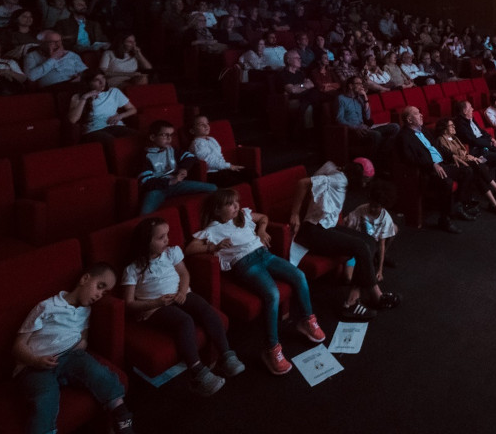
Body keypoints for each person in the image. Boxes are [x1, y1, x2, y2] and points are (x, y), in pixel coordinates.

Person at [184, 189, 325, 375]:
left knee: (299, 275)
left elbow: (263, 218)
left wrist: (261, 230)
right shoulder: (213, 229)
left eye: (236, 202)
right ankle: (271, 348)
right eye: (230, 204)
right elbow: (189, 249)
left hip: (264, 254)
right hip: (245, 263)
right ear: (217, 210)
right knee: (272, 294)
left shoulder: (243, 215)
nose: (236, 206)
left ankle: (307, 320)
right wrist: (213, 247)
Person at [121, 217, 242, 396]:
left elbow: (184, 274)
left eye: (167, 235)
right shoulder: (132, 269)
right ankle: (197, 372)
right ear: (146, 242)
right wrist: (156, 303)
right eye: (161, 237)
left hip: (181, 294)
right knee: (184, 321)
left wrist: (183, 292)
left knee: (205, 309)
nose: (167, 240)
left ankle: (226, 354)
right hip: (155, 307)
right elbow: (129, 304)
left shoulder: (171, 253)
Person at [13, 263, 135, 434]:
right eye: (99, 287)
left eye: (104, 293)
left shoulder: (86, 311)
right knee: (45, 397)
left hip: (69, 357)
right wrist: (35, 361)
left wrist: (82, 344)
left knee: (98, 371)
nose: (99, 295)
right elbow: (18, 346)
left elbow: (83, 338)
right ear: (85, 279)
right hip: (35, 365)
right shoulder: (47, 306)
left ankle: (120, 414)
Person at [290, 159, 400, 320]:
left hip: (326, 226)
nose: (364, 185)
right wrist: (295, 214)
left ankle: (357, 297)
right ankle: (361, 301)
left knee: (369, 242)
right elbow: (303, 183)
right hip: (313, 231)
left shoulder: (341, 177)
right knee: (360, 246)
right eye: (364, 181)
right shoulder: (338, 180)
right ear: (357, 176)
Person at [395, 106, 474, 233]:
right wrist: (432, 164)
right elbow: (410, 159)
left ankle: (458, 206)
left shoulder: (423, 130)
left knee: (467, 171)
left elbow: (437, 147)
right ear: (409, 120)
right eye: (417, 113)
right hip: (427, 171)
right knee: (447, 183)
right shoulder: (403, 137)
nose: (421, 115)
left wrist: (452, 155)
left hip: (442, 164)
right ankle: (444, 220)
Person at [434, 118, 496, 215]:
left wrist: (471, 157)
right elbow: (452, 157)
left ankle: (494, 204)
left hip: (466, 161)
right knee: (477, 165)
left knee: (478, 171)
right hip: (455, 165)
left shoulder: (454, 138)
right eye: (451, 125)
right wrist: (471, 158)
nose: (454, 127)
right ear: (445, 129)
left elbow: (464, 152)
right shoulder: (441, 140)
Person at [138, 120, 215, 214]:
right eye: (164, 135)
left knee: (213, 188)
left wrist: (183, 168)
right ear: (153, 137)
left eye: (171, 135)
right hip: (157, 189)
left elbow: (190, 157)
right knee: (145, 213)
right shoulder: (145, 157)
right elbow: (145, 181)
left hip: (177, 184)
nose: (169, 138)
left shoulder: (172, 150)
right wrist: (170, 181)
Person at [343, 179, 400, 285]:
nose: (372, 209)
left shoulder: (385, 218)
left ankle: (377, 257)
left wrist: (380, 270)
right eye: (371, 205)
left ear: (383, 206)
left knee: (394, 229)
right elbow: (347, 226)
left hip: (373, 244)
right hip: (358, 246)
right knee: (348, 278)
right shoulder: (361, 210)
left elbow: (382, 244)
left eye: (376, 207)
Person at [68, 69, 138, 144]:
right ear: (88, 83)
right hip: (94, 130)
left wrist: (120, 116)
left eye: (103, 78)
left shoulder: (114, 91)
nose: (102, 82)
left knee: (138, 136)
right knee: (111, 141)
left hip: (115, 126)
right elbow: (72, 120)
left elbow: (132, 109)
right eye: (96, 80)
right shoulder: (78, 97)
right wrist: (85, 97)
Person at [335, 75, 399, 151]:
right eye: (358, 84)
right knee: (376, 134)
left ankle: (384, 151)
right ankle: (377, 155)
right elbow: (339, 119)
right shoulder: (341, 99)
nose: (361, 86)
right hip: (354, 131)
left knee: (395, 127)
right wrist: (355, 128)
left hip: (366, 129)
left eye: (361, 84)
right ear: (351, 86)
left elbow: (368, 116)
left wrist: (365, 97)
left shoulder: (359, 98)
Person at [188, 115, 248, 188]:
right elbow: (209, 162)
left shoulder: (211, 139)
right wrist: (229, 166)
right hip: (211, 174)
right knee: (239, 183)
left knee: (249, 173)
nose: (206, 126)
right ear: (192, 131)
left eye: (207, 123)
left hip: (222, 169)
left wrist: (227, 167)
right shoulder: (196, 144)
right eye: (201, 124)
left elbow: (219, 156)